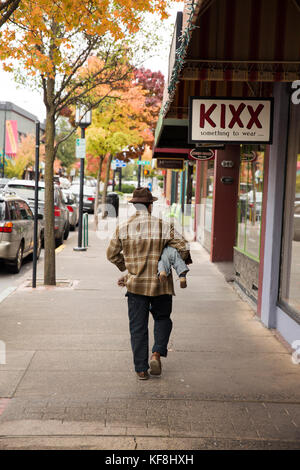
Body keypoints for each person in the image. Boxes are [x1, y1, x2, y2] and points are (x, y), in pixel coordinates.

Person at [106, 187, 192, 380]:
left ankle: (141, 369)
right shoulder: (163, 225)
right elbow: (184, 247)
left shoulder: (123, 227)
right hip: (161, 285)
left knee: (138, 327)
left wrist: (128, 268)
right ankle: (156, 353)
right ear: (150, 205)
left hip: (136, 285)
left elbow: (110, 254)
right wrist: (170, 259)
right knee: (162, 319)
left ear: (134, 205)